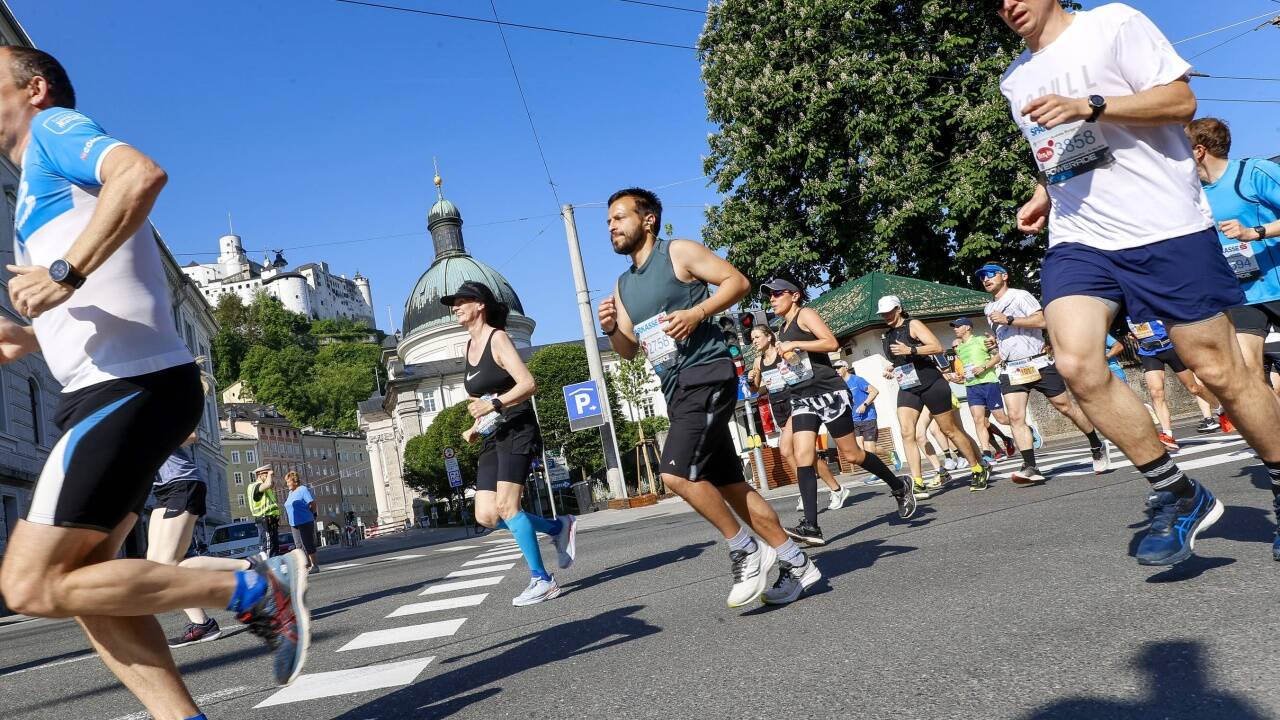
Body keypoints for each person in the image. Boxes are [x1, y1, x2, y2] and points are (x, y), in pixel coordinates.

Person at [0, 47, 308, 718]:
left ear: (35, 89)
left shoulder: (54, 130)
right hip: (115, 388)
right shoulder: (31, 191)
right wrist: (24, 334)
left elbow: (140, 174)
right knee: (91, 588)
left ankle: (252, 588)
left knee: (28, 584)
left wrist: (61, 273)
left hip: (128, 387)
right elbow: (89, 299)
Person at [997, 0, 1280, 566]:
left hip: (1165, 227)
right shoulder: (1015, 77)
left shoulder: (1113, 23)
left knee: (1220, 370)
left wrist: (1091, 104)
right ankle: (1178, 491)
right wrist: (1044, 191)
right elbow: (1058, 148)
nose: (1007, 4)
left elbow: (1181, 101)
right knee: (1076, 362)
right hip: (1081, 236)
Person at [600, 188, 822, 606]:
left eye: (619, 217)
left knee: (675, 473)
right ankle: (798, 564)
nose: (612, 226)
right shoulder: (623, 283)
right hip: (676, 387)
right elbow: (628, 350)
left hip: (706, 373)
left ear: (647, 219)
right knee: (733, 487)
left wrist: (697, 313)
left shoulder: (678, 252)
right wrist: (612, 328)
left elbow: (738, 281)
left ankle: (745, 548)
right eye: (608, 221)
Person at [448, 280, 577, 606]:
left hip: (518, 429)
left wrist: (493, 406)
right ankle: (556, 527)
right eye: (454, 302)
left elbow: (528, 383)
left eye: (461, 301)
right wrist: (477, 424)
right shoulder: (468, 347)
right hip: (494, 434)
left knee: (508, 506)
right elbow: (484, 397)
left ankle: (542, 580)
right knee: (487, 515)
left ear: (480, 305)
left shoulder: (498, 338)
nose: (455, 306)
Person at [1186, 116, 1280, 560]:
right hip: (1242, 295)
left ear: (1200, 149)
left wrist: (1254, 232)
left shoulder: (1253, 172)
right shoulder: (1192, 197)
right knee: (1244, 377)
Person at [768, 279, 919, 544]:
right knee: (803, 455)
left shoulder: (806, 314)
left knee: (852, 453)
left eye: (776, 294)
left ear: (794, 295)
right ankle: (811, 527)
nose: (771, 299)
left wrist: (796, 346)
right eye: (769, 296)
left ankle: (899, 485)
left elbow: (830, 343)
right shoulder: (782, 327)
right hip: (803, 397)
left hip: (828, 393)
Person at [977, 264, 1110, 484]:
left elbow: (1042, 321)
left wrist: (1010, 320)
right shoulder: (988, 308)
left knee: (1065, 407)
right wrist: (996, 343)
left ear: (1004, 276)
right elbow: (1006, 336)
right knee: (1015, 417)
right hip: (1012, 368)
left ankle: (1096, 443)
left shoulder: (1020, 296)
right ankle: (1031, 467)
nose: (985, 278)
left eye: (990, 274)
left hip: (1037, 363)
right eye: (982, 276)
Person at [877, 295, 990, 492]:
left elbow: (936, 347)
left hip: (931, 382)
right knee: (907, 431)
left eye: (889, 311)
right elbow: (899, 360)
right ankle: (918, 483)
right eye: (883, 313)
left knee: (949, 430)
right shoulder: (887, 335)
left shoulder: (913, 325)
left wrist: (911, 349)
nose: (886, 315)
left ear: (898, 309)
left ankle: (977, 468)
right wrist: (891, 368)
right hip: (908, 386)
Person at [745, 325, 848, 514]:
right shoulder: (758, 361)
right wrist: (752, 379)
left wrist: (790, 357)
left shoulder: (781, 351)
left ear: (769, 337)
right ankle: (834, 489)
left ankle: (813, 491)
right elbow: (756, 389)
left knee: (786, 449)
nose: (754, 341)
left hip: (795, 400)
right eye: (752, 339)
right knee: (804, 454)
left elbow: (800, 368)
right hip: (777, 405)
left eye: (757, 337)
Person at [147, 423, 224, 648]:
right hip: (164, 489)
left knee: (168, 564)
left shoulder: (146, 407)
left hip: (182, 483)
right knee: (156, 567)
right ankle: (203, 624)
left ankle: (252, 567)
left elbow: (191, 434)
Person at [1123, 317, 1221, 451]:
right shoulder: (1124, 310)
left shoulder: (1149, 299)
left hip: (1171, 347)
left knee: (1193, 388)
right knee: (1156, 393)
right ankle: (1167, 435)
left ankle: (1219, 408)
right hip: (1148, 352)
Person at [947, 318, 1018, 466]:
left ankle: (1025, 427)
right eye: (954, 327)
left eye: (957, 326)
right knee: (979, 420)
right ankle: (986, 453)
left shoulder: (980, 340)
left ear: (967, 327)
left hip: (989, 383)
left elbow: (999, 356)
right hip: (972, 386)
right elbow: (968, 369)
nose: (955, 329)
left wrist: (984, 367)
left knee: (1001, 419)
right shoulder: (959, 348)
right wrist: (960, 378)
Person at [834, 361, 880, 458]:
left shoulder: (857, 380)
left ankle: (889, 455)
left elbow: (874, 391)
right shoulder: (840, 385)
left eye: (838, 367)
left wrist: (864, 405)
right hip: (854, 421)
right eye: (835, 368)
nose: (836, 370)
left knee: (870, 450)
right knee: (860, 451)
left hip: (868, 418)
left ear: (846, 368)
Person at [283, 471, 319, 573]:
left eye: (288, 482)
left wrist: (313, 513)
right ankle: (306, 566)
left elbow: (312, 502)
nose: (287, 484)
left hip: (305, 520)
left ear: (295, 481)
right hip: (294, 523)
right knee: (298, 546)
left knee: (307, 543)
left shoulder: (302, 489)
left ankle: (315, 565)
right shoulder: (290, 493)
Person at [248, 465, 283, 557]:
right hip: (264, 520)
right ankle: (268, 568)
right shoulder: (255, 486)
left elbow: (270, 484)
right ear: (259, 475)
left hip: (270, 521)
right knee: (268, 547)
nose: (269, 477)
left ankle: (274, 568)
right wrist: (270, 473)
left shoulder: (265, 489)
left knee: (274, 546)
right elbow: (268, 484)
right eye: (266, 474)